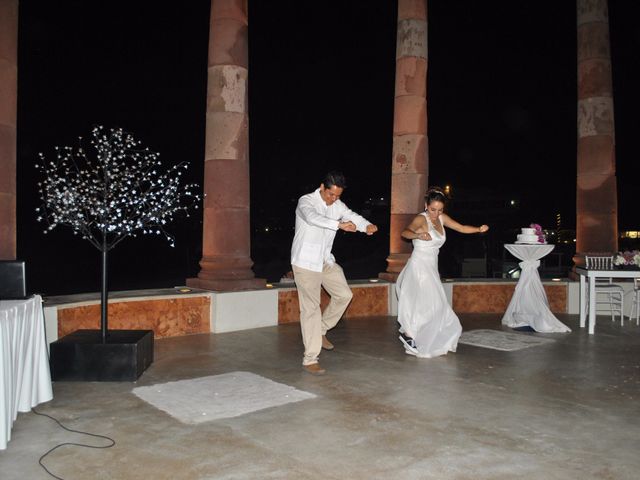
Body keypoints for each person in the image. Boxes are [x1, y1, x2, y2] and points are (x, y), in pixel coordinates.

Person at [291, 171, 378, 375]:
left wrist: (366, 226)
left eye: (338, 196)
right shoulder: (306, 201)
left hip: (325, 261)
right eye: (331, 195)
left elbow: (352, 215)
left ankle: (320, 330)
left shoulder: (337, 205)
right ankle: (310, 358)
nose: (334, 199)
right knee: (311, 308)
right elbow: (313, 218)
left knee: (344, 295)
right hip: (305, 263)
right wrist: (339, 225)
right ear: (322, 187)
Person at [396, 187, 489, 358]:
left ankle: (411, 336)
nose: (435, 213)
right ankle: (409, 334)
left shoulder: (441, 218)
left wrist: (478, 229)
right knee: (433, 304)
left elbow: (461, 228)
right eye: (432, 209)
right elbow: (405, 232)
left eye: (440, 209)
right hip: (419, 267)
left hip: (431, 267)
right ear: (426, 205)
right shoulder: (421, 219)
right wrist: (418, 236)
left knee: (429, 305)